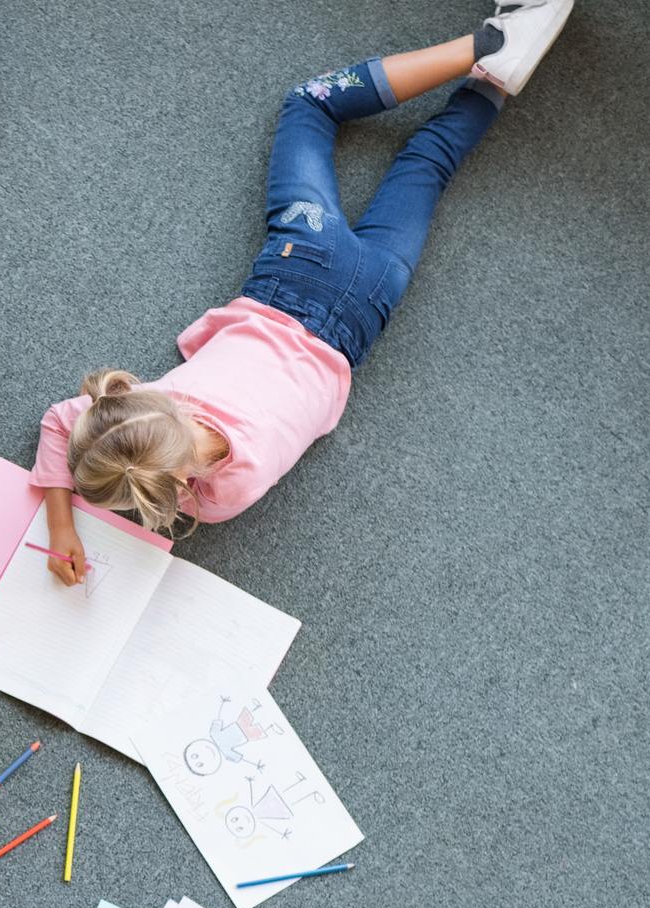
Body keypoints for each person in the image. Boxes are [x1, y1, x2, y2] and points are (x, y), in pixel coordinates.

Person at [33, 1, 573, 579]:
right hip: (296, 272)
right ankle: (487, 44)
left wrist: (76, 520)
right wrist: (59, 515)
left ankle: (496, 80)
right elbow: (62, 421)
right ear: (135, 398)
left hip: (367, 305)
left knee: (431, 162)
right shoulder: (148, 408)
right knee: (309, 105)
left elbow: (125, 467)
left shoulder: (217, 498)